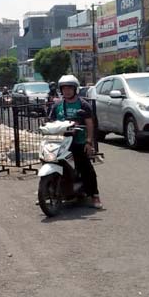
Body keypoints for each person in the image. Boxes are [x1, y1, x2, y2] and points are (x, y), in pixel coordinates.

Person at [47, 74, 102, 209]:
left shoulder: (83, 104)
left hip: (78, 142)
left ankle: (94, 195)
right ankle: (48, 192)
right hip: (60, 141)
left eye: (69, 88)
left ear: (75, 89)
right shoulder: (57, 105)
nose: (67, 91)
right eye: (64, 89)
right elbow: (50, 122)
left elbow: (90, 124)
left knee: (85, 167)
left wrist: (89, 142)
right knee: (50, 161)